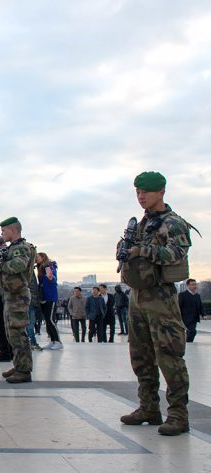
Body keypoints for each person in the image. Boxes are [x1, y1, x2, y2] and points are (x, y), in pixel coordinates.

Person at [119, 171, 192, 436]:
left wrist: (143, 251)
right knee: (141, 356)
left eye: (145, 192)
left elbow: (177, 252)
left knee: (169, 356)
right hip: (138, 296)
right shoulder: (141, 223)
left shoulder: (173, 222)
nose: (140, 197)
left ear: (161, 191)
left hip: (161, 297)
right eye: (137, 192)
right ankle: (148, 407)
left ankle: (178, 415)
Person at [0, 217, 36, 383]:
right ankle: (19, 364)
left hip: (18, 295)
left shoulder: (20, 248)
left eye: (3, 231)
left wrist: (1, 265)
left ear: (12, 230)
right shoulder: (13, 248)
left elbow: (19, 265)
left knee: (18, 332)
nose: (2, 234)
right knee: (12, 332)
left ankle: (24, 370)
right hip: (11, 294)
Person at [35, 253, 62, 350]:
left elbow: (52, 278)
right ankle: (53, 340)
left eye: (38, 257)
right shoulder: (39, 268)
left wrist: (49, 274)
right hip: (44, 297)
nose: (36, 259)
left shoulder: (49, 265)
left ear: (43, 258)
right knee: (47, 320)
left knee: (50, 319)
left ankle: (58, 341)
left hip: (51, 296)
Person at [179, 279, 204, 343]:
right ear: (188, 286)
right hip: (185, 318)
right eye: (192, 284)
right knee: (192, 331)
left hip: (194, 318)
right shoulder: (182, 295)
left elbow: (200, 306)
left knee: (191, 331)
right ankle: (188, 343)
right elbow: (179, 306)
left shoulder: (197, 296)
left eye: (195, 284)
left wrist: (203, 314)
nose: (194, 286)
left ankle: (188, 343)